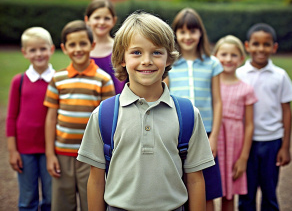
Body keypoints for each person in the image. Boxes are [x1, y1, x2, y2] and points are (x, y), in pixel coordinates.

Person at [77, 11, 215, 211]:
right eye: (136, 52)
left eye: (156, 52)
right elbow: (96, 181)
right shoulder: (104, 115)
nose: (147, 61)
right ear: (122, 58)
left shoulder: (187, 114)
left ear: (168, 58)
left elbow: (195, 180)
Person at [44, 20, 115, 211]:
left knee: (91, 203)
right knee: (62, 205)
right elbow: (51, 118)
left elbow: (109, 120)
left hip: (92, 156)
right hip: (62, 155)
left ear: (92, 45)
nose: (78, 49)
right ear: (64, 48)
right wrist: (50, 154)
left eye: (83, 43)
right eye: (72, 44)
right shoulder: (57, 79)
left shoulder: (103, 79)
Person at [165, 7, 223, 211]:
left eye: (192, 31)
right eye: (182, 31)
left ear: (200, 33)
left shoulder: (212, 63)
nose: (187, 36)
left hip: (205, 134)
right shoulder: (169, 64)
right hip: (178, 134)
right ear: (175, 34)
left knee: (207, 190)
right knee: (181, 187)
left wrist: (214, 136)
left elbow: (217, 101)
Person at [236, 23, 292, 211]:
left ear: (274, 47)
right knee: (246, 194)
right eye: (256, 44)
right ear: (247, 46)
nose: (261, 49)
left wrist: (286, 146)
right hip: (245, 144)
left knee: (269, 192)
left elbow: (287, 111)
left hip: (272, 142)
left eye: (266, 44)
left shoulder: (280, 76)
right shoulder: (239, 74)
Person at [6, 27, 55, 211]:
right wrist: (12, 150)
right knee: (27, 199)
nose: (38, 54)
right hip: (25, 149)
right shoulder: (18, 81)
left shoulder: (58, 80)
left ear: (51, 49)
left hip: (51, 149)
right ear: (25, 53)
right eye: (33, 50)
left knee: (51, 198)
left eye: (43, 48)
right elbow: (11, 117)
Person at [213, 35, 257, 211]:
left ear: (241, 58)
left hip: (233, 143)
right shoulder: (211, 84)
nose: (228, 59)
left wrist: (243, 157)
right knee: (207, 190)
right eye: (223, 54)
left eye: (233, 55)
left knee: (228, 194)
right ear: (215, 57)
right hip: (214, 139)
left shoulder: (246, 88)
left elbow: (249, 124)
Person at [84, 0, 126, 94]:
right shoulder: (82, 50)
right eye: (97, 18)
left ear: (114, 20)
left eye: (106, 18)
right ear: (87, 20)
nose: (101, 22)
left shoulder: (119, 48)